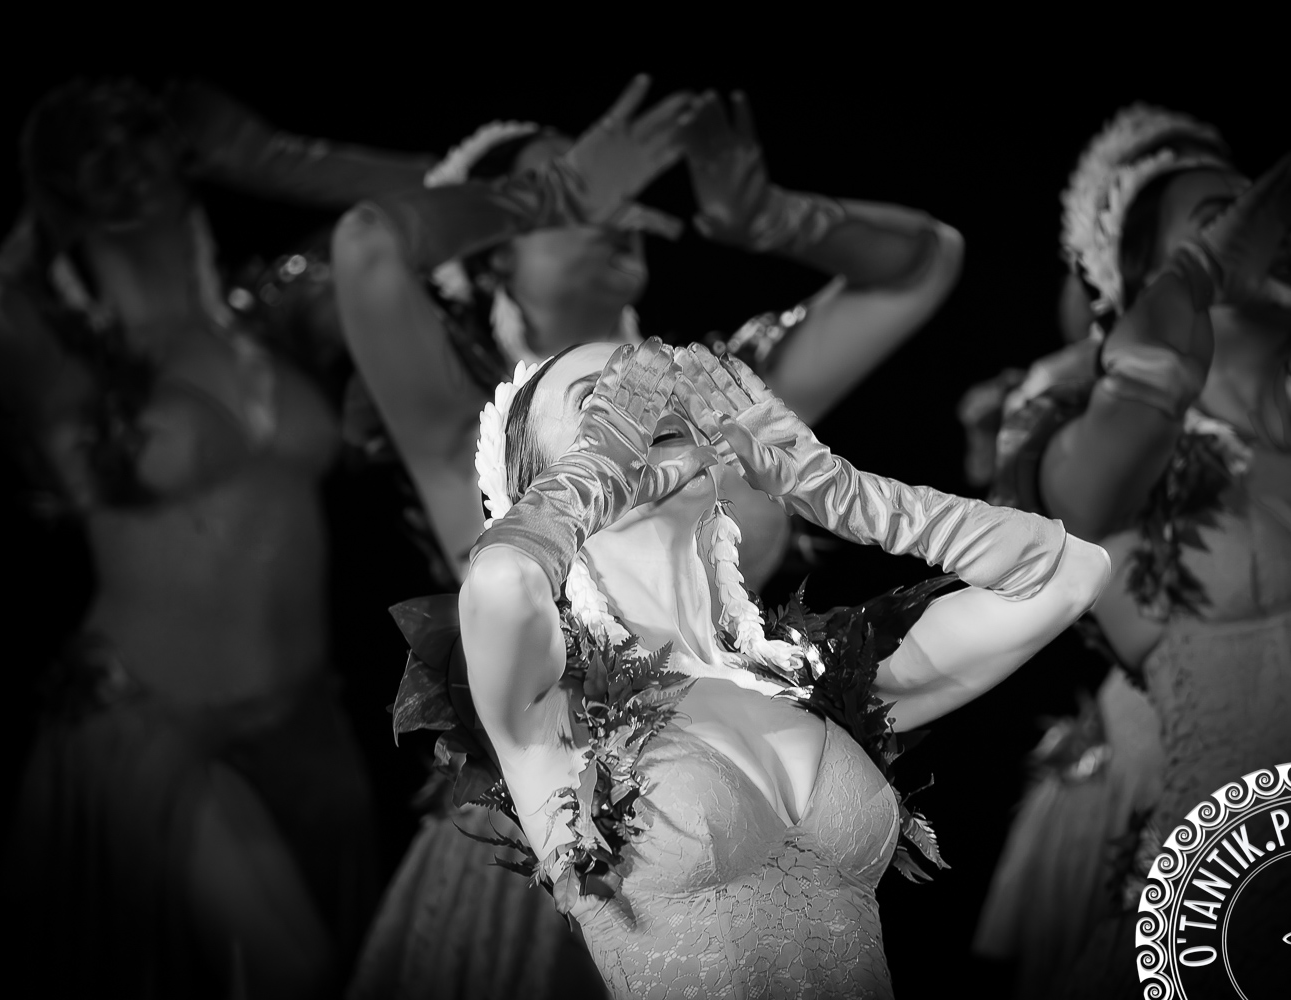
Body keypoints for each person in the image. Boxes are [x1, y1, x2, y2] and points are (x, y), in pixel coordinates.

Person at [339, 76, 966, 999]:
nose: (614, 208)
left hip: (763, 806)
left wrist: (771, 215)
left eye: (619, 187)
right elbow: (367, 246)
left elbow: (924, 261)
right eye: (577, 194)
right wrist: (551, 191)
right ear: (493, 259)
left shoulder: (716, 394)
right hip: (564, 841)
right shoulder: (466, 424)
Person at [394, 337, 1108, 998]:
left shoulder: (814, 683)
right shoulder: (551, 709)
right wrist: (600, 470)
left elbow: (1071, 574)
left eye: (658, 388)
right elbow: (502, 581)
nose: (645, 407)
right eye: (601, 401)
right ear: (536, 483)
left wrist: (840, 490)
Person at [0, 79, 434, 999]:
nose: (127, 177)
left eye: (141, 149)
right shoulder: (52, 348)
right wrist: (43, 198)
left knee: (344, 969)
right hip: (150, 721)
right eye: (98, 165)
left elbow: (437, 207)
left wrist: (272, 157)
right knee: (297, 967)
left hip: (304, 720)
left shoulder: (275, 314)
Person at [982, 105, 1291, 997]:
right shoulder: (1085, 448)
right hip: (1207, 946)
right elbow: (1131, 412)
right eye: (1223, 220)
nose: (1269, 230)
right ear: (1145, 285)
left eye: (1273, 211)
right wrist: (1205, 271)